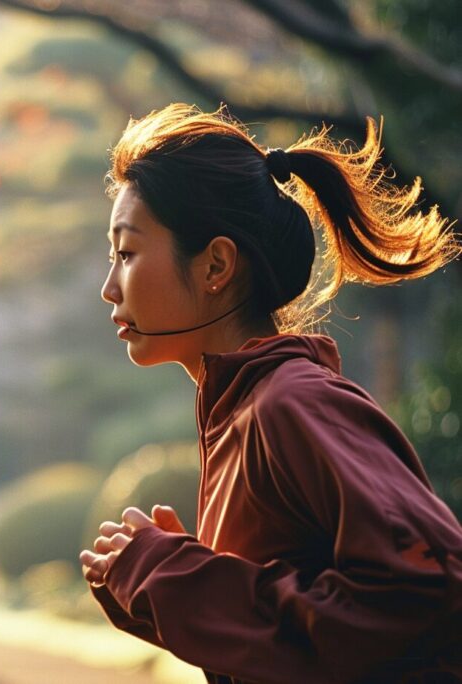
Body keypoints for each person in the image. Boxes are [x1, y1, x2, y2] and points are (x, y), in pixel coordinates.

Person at [79, 102, 462, 683]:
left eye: (127, 253)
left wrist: (180, 579)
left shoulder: (293, 401)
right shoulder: (240, 411)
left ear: (216, 266)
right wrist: (172, 590)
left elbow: (426, 591)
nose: (110, 288)